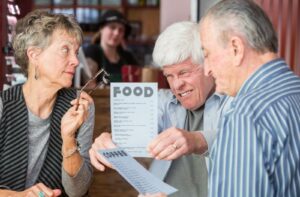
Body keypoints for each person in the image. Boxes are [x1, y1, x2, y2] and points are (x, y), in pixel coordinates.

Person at [89, 21, 227, 197]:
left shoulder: (231, 101)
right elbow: (133, 131)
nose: (177, 85)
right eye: (169, 75)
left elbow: (241, 140)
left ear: (208, 65)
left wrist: (196, 140)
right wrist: (108, 141)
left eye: (184, 73)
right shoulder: (163, 100)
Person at [199, 0, 300, 196]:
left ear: (236, 48)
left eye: (207, 54)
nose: (207, 69)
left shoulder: (246, 114)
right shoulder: (294, 91)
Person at [0, 10, 94, 197]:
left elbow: (77, 191)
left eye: (76, 52)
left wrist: (68, 140)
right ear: (34, 55)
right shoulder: (3, 106)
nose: (75, 61)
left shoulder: (79, 105)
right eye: (65, 50)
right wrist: (20, 196)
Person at [83, 9, 139, 83]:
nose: (116, 33)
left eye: (121, 30)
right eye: (112, 27)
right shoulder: (92, 52)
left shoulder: (128, 57)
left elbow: (138, 84)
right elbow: (89, 85)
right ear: (101, 29)